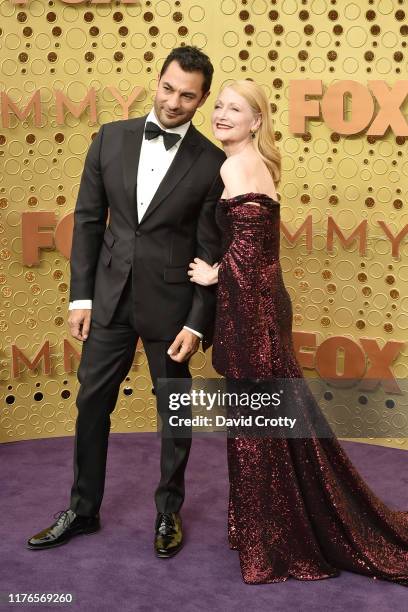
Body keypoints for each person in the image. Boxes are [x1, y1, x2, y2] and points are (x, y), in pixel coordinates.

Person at [188, 79, 408, 585]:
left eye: (235, 109)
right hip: (265, 310)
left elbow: (246, 252)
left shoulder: (234, 165)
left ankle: (271, 543)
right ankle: (264, 527)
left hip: (252, 317)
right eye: (218, 106)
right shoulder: (257, 165)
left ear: (256, 121)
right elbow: (260, 247)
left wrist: (214, 273)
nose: (221, 114)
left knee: (254, 428)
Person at [27, 46, 225, 557]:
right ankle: (82, 508)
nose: (174, 102)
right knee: (92, 402)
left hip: (173, 308)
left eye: (187, 95)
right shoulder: (109, 139)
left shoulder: (212, 162)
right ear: (156, 81)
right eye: (168, 88)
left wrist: (199, 324)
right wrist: (82, 297)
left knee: (173, 415)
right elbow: (89, 222)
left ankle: (168, 513)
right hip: (109, 300)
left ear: (201, 100)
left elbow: (211, 253)